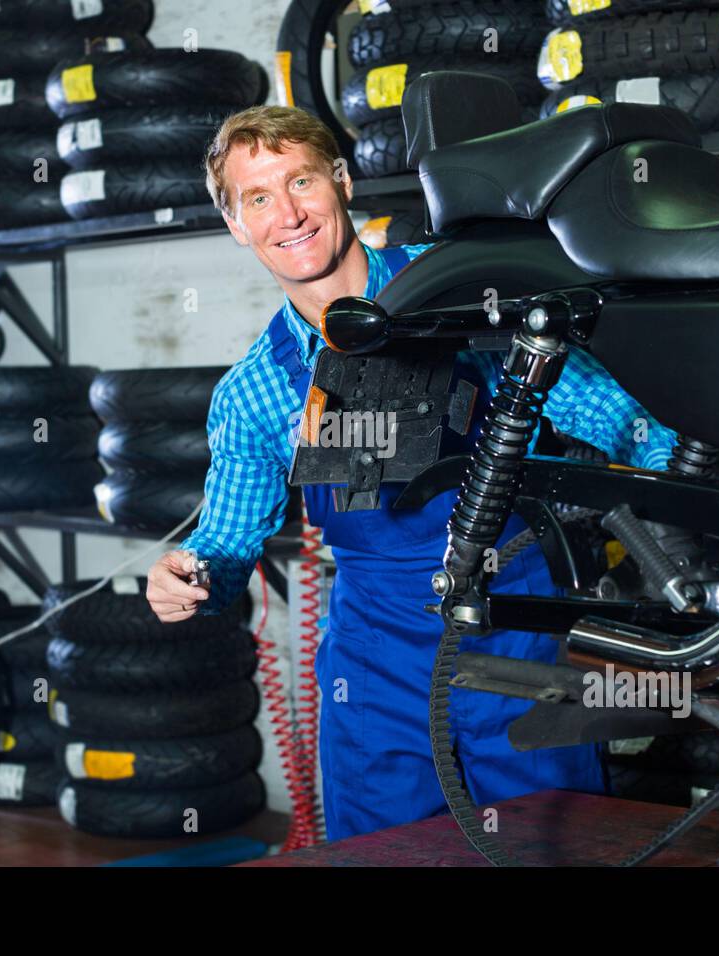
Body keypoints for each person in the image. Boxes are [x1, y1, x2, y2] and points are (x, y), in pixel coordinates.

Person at [146, 106, 677, 841]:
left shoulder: (464, 297)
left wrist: (684, 506)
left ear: (341, 180)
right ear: (237, 225)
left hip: (513, 624)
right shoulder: (255, 391)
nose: (289, 214)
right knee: (382, 854)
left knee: (553, 848)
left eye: (302, 181)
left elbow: (622, 419)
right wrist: (191, 577)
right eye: (259, 198)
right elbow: (227, 546)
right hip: (375, 657)